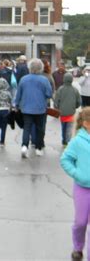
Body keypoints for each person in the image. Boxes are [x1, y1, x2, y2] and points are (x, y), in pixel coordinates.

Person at [60, 107, 90, 261]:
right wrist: (77, 174)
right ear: (86, 124)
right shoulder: (78, 141)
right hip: (82, 188)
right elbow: (65, 160)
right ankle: (78, 247)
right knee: (80, 222)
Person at [15, 59, 52, 158]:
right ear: (41, 68)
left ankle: (24, 146)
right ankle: (38, 148)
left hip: (26, 108)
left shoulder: (24, 79)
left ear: (30, 68)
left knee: (27, 128)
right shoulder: (44, 79)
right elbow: (49, 94)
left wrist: (16, 105)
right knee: (40, 129)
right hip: (40, 109)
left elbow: (18, 94)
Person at [55, 73, 81, 146]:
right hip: (71, 112)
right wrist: (75, 106)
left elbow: (56, 101)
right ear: (72, 80)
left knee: (63, 127)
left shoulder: (60, 89)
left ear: (64, 79)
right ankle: (67, 140)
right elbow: (79, 101)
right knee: (69, 127)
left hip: (62, 112)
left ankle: (64, 140)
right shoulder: (75, 90)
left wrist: (57, 107)